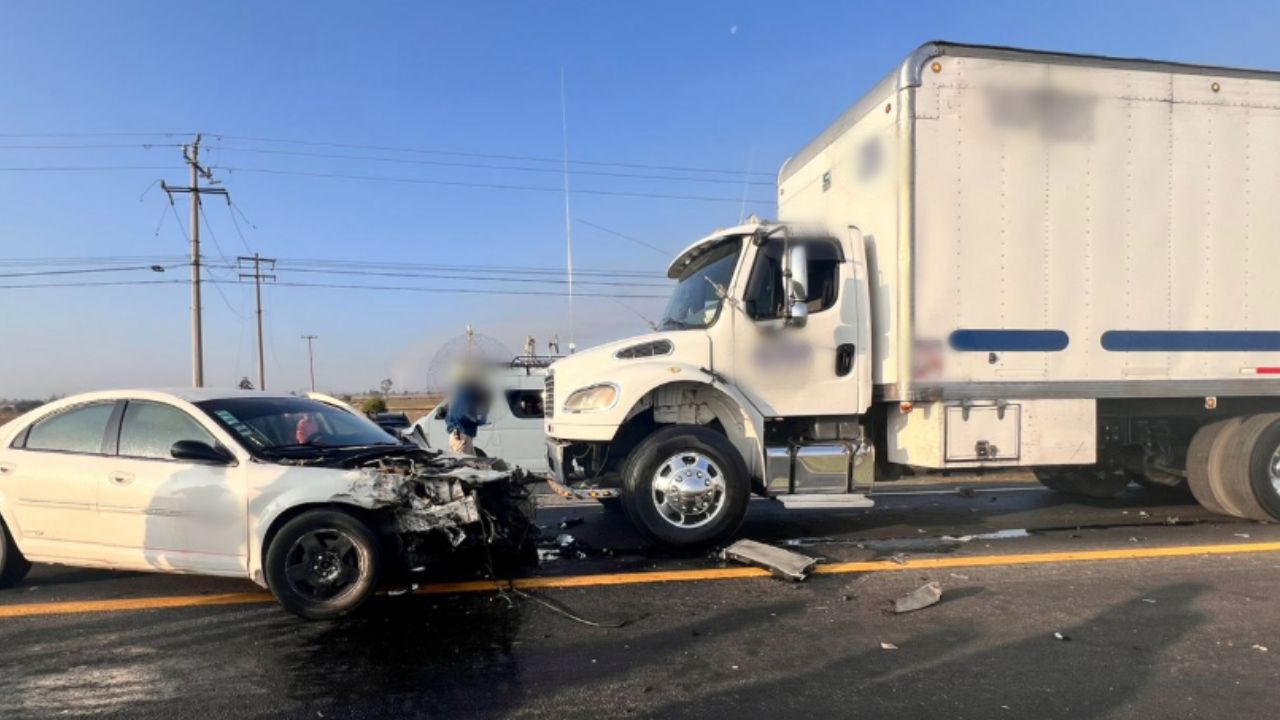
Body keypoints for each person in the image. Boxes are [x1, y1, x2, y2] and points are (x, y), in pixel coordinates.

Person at [445, 366, 488, 454]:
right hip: (461, 434)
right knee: (464, 465)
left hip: (460, 434)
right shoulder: (466, 393)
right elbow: (462, 415)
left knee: (471, 462)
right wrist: (478, 421)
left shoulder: (458, 391)